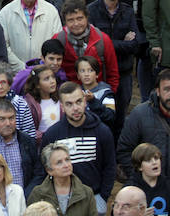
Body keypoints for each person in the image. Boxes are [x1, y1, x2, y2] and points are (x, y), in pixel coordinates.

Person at [40, 81, 116, 212]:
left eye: (78, 102)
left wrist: (104, 196)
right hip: (63, 199)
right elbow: (43, 169)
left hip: (96, 196)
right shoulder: (52, 135)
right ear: (62, 107)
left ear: (85, 102)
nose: (75, 108)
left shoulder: (102, 131)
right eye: (69, 104)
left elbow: (110, 166)